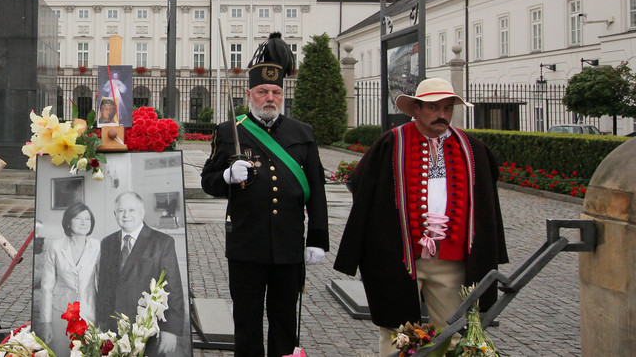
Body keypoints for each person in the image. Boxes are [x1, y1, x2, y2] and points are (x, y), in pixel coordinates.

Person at [334, 78, 508, 357]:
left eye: (447, 108)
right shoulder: (391, 143)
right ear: (416, 109)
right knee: (399, 336)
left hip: (452, 260)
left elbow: (488, 195)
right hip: (400, 257)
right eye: (433, 107)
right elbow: (362, 184)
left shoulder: (472, 149)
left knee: (454, 331)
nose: (442, 114)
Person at [200, 33, 328, 357]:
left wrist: (317, 238)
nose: (269, 97)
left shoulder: (303, 133)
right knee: (247, 323)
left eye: (275, 92)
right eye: (262, 91)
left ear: (282, 94)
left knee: (285, 322)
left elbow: (317, 191)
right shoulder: (230, 131)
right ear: (249, 94)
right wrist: (227, 176)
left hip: (288, 247)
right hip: (246, 247)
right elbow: (208, 181)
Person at [96, 191, 186, 357]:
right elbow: (104, 285)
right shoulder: (107, 243)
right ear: (115, 214)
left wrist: (170, 330)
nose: (126, 215)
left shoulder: (162, 242)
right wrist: (101, 322)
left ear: (142, 212)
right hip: (112, 328)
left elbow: (173, 287)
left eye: (131, 210)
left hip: (149, 329)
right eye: (121, 211)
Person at [40, 202, 100, 357]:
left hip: (90, 313)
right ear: (68, 221)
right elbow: (46, 286)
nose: (83, 222)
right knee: (62, 353)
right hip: (61, 313)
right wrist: (46, 322)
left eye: (87, 219)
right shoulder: (56, 246)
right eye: (78, 218)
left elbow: (102, 282)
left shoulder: (98, 246)